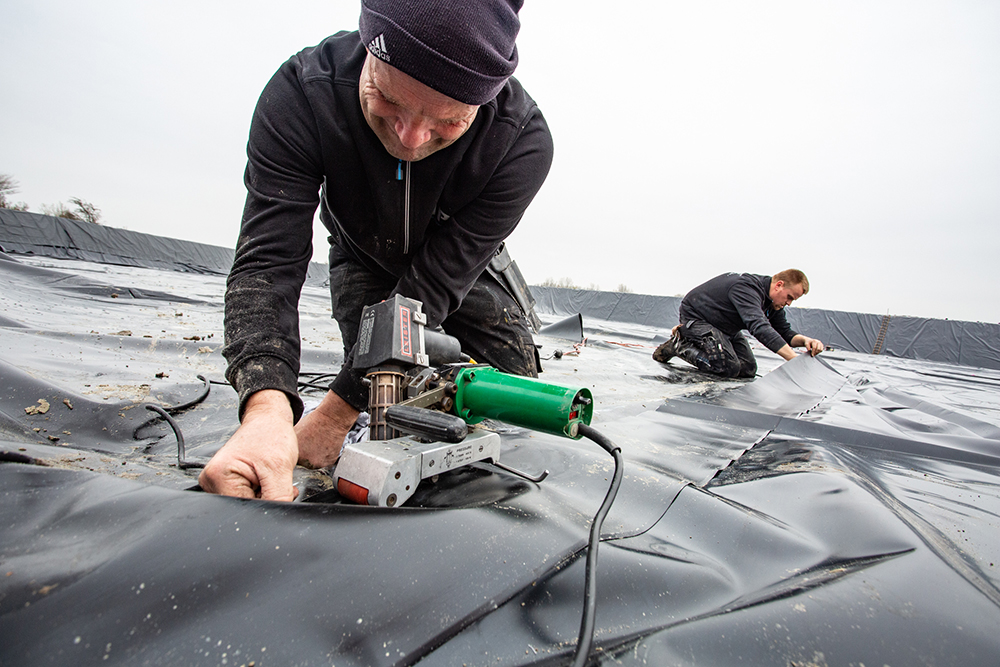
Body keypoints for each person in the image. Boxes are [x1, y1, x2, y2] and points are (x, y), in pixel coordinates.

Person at [199, 0, 552, 501]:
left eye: (448, 122)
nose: (410, 138)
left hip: (463, 271)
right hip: (361, 254)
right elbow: (269, 261)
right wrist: (267, 410)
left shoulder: (522, 142)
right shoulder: (303, 92)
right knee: (381, 391)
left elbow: (433, 284)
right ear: (369, 48)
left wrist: (334, 412)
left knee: (512, 401)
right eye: (388, 98)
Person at [652, 270, 825, 378]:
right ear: (779, 285)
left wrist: (805, 341)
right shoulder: (747, 289)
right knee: (727, 367)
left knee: (748, 369)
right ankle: (678, 344)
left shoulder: (772, 303)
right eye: (789, 297)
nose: (789, 303)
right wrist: (794, 360)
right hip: (698, 320)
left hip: (724, 327)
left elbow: (784, 332)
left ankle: (693, 343)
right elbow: (759, 327)